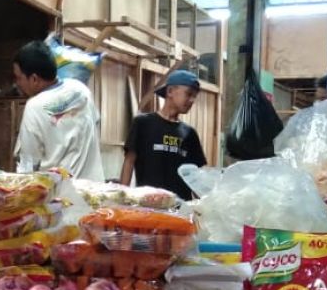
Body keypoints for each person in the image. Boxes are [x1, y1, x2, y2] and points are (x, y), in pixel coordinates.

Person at [12, 40, 105, 180]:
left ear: (34, 79)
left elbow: (28, 164)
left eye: (19, 78)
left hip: (61, 197)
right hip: (94, 191)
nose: (17, 83)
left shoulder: (34, 106)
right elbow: (95, 121)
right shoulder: (80, 90)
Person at [121, 69, 208, 199]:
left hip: (179, 210)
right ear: (170, 91)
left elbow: (195, 177)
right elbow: (129, 162)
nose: (192, 100)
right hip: (148, 206)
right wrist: (121, 198)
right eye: (189, 94)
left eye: (194, 96)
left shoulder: (190, 134)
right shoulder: (143, 123)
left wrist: (202, 208)